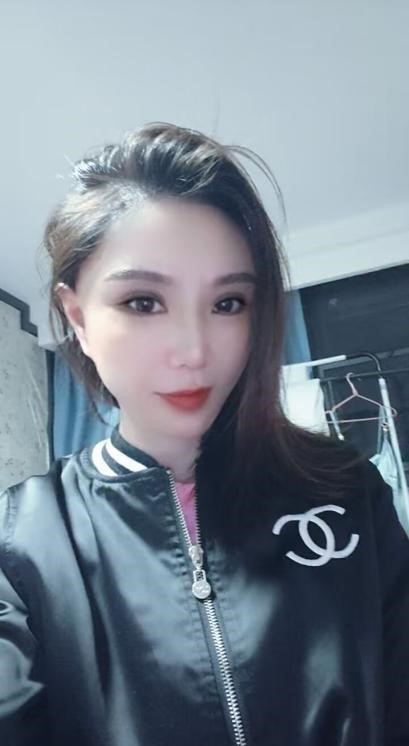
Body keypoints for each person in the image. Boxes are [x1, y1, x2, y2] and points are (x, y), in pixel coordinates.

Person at [0, 123, 408, 746]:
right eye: (143, 302)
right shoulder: (24, 537)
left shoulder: (346, 489)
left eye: (227, 304)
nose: (194, 351)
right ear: (78, 318)